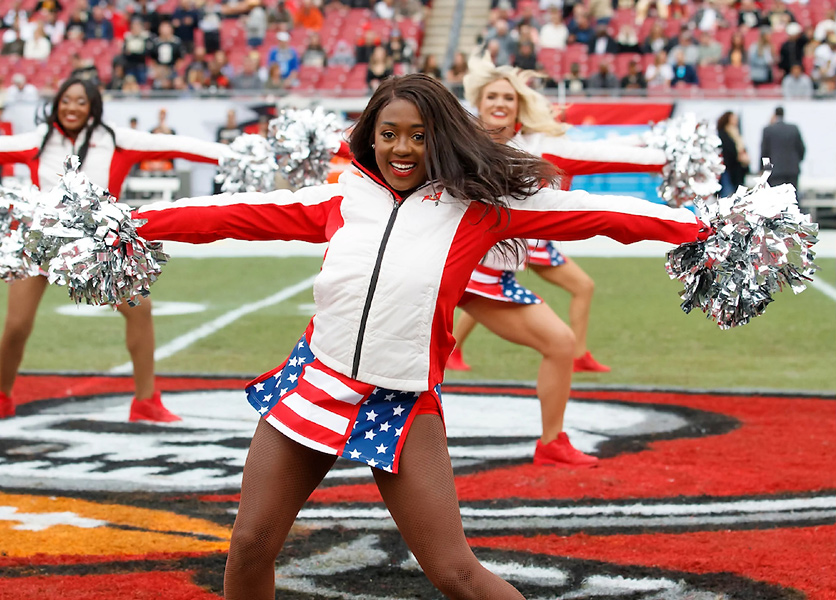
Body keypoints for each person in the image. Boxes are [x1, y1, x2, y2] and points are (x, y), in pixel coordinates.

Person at [109, 73, 705, 599]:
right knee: (249, 546)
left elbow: (603, 215)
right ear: (370, 135)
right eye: (390, 132)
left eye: (419, 135)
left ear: (439, 138)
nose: (402, 147)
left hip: (401, 399)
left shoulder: (481, 209)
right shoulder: (340, 199)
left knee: (455, 573)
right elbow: (230, 215)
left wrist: (700, 228)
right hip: (315, 384)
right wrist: (123, 221)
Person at [0, 78, 232, 423]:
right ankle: (1, 396)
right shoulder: (38, 141)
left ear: (92, 105)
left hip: (98, 252)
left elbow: (176, 145)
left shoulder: (118, 140)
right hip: (39, 246)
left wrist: (228, 155)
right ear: (56, 104)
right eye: (65, 100)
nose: (72, 108)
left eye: (80, 101)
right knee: (16, 324)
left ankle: (146, 401)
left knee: (140, 312)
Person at [449, 55, 672, 466]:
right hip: (446, 268)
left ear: (519, 107)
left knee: (561, 343)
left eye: (509, 98)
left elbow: (606, 155)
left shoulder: (540, 147)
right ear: (478, 102)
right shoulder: (456, 141)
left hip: (485, 274)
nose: (500, 103)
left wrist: (667, 158)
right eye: (492, 96)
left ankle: (552, 442)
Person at [760, 106, 805, 192]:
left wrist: (765, 170)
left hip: (775, 171)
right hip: (792, 170)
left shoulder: (768, 130)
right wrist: (796, 161)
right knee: (792, 197)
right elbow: (801, 148)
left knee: (777, 199)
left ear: (774, 114)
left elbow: (765, 152)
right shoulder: (794, 129)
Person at [716, 111, 750, 198]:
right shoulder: (723, 134)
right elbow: (728, 150)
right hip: (727, 169)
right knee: (727, 194)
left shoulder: (736, 133)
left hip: (737, 171)